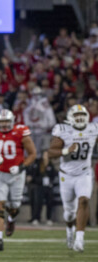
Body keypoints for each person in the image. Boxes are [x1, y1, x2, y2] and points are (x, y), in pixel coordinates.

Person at [48, 105, 97, 252]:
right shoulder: (63, 130)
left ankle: (79, 240)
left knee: (84, 201)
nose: (80, 118)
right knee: (69, 213)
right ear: (70, 118)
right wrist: (66, 150)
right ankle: (70, 232)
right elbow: (51, 152)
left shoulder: (93, 129)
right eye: (76, 116)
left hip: (85, 173)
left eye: (82, 115)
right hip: (67, 175)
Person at [0, 109, 37, 251]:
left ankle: (11, 220)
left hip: (16, 174)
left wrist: (21, 167)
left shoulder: (21, 132)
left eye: (6, 122)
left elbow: (33, 154)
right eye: (1, 122)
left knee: (14, 206)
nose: (3, 125)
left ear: (12, 122)